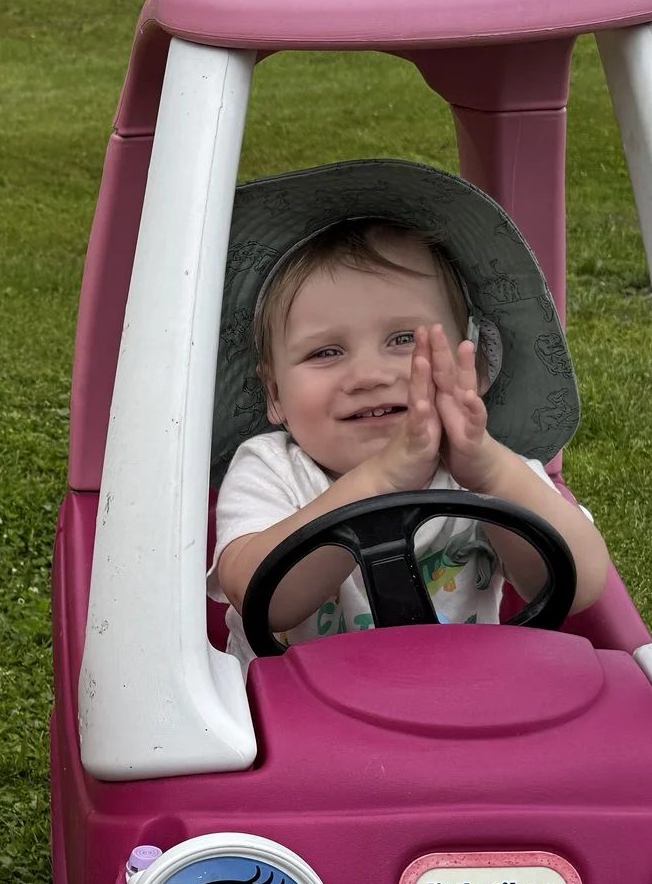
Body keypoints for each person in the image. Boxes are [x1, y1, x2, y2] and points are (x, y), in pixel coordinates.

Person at [207, 161, 610, 659]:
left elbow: (583, 584)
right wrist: (383, 478)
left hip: (453, 709)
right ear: (275, 395)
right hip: (287, 722)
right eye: (325, 352)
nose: (369, 375)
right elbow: (260, 598)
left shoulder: (483, 470)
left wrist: (489, 470)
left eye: (404, 340)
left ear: (474, 369)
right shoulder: (271, 468)